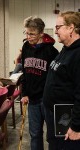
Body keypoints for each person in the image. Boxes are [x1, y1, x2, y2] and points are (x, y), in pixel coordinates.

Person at [43, 11, 80, 150]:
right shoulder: (66, 49)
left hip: (67, 120)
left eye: (58, 27)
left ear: (71, 28)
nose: (55, 31)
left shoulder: (77, 54)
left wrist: (76, 127)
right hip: (55, 117)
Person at [20, 16, 59, 150]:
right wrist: (24, 93)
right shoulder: (25, 47)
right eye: (26, 33)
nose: (28, 36)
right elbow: (24, 72)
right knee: (35, 134)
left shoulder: (52, 51)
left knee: (51, 135)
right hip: (32, 99)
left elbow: (55, 79)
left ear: (41, 33)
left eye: (32, 34)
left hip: (47, 99)